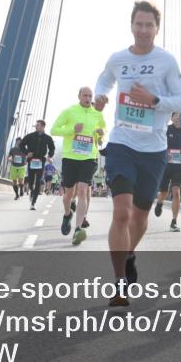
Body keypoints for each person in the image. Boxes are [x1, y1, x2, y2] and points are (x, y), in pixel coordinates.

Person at [94, 0, 181, 306]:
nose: (144, 30)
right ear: (131, 25)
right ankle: (119, 282)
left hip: (154, 150)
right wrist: (100, 95)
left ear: (157, 29)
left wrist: (154, 100)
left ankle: (129, 253)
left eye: (149, 25)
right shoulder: (118, 58)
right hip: (122, 144)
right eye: (139, 24)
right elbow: (104, 79)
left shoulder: (167, 61)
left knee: (140, 217)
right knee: (122, 212)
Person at [51, 86, 107, 245]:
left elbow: (101, 133)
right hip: (70, 157)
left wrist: (101, 135)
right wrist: (72, 129)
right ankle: (67, 214)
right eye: (85, 95)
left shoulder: (97, 114)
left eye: (90, 96)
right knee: (68, 194)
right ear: (79, 96)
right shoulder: (69, 111)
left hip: (89, 157)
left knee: (82, 190)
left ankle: (78, 229)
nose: (88, 98)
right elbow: (54, 130)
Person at [155, 113, 181, 232]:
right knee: (164, 192)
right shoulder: (166, 129)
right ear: (171, 118)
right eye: (175, 116)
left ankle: (174, 222)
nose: (177, 118)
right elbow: (159, 143)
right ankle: (160, 202)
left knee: (176, 193)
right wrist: (165, 154)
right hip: (165, 166)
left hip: (178, 167)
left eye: (180, 116)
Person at [21, 121, 56, 210]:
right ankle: (32, 191)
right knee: (31, 181)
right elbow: (21, 145)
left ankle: (33, 203)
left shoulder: (47, 138)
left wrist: (49, 156)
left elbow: (52, 148)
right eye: (36, 125)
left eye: (38, 125)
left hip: (41, 161)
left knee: (38, 182)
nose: (36, 127)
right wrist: (27, 153)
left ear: (43, 127)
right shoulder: (30, 136)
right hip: (31, 160)